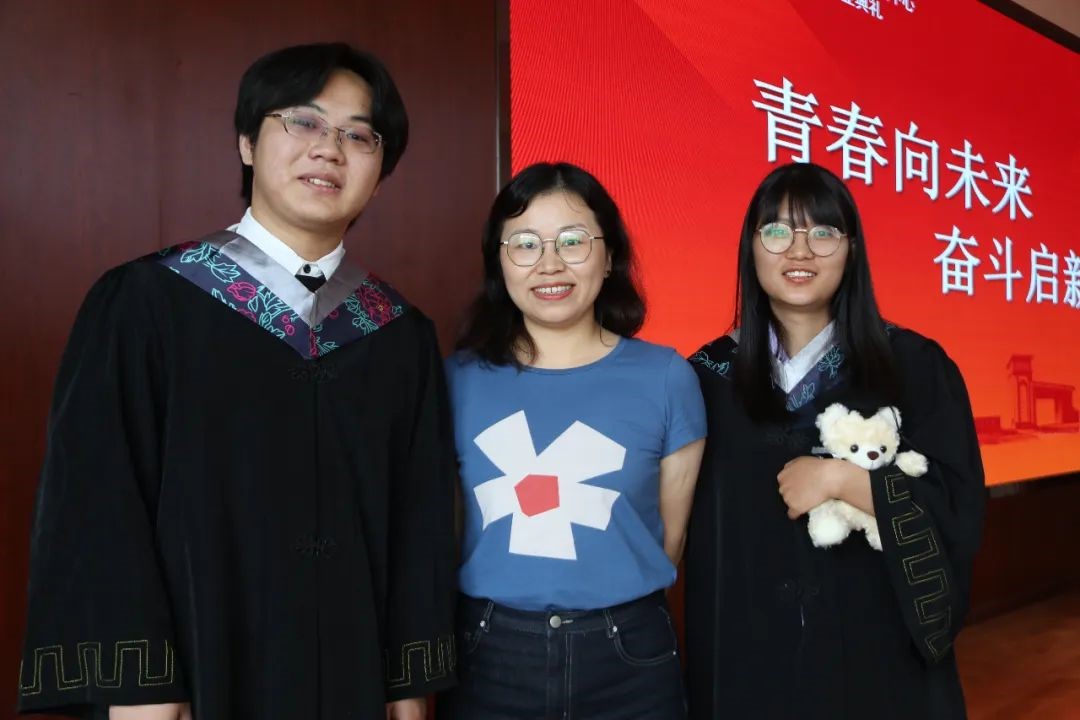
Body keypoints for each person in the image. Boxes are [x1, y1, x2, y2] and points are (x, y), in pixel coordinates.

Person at [17, 43, 456, 720]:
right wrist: (140, 691)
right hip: (197, 675)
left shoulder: (399, 333)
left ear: (380, 171)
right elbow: (96, 506)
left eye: (358, 135)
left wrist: (409, 689)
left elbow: (419, 527)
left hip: (354, 678)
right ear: (248, 142)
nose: (328, 149)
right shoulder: (146, 302)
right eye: (303, 121)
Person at [684, 162, 985, 719]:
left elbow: (959, 512)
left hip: (879, 663)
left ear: (852, 249)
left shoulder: (913, 367)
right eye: (777, 231)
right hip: (752, 664)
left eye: (822, 232)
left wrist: (848, 481)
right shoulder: (706, 378)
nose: (799, 250)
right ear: (751, 248)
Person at [437, 162, 706, 719]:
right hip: (491, 653)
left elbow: (670, 538)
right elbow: (450, 531)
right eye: (524, 244)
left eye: (573, 241)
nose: (549, 264)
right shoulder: (455, 381)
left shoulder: (666, 377)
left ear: (609, 257)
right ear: (498, 262)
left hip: (628, 656)